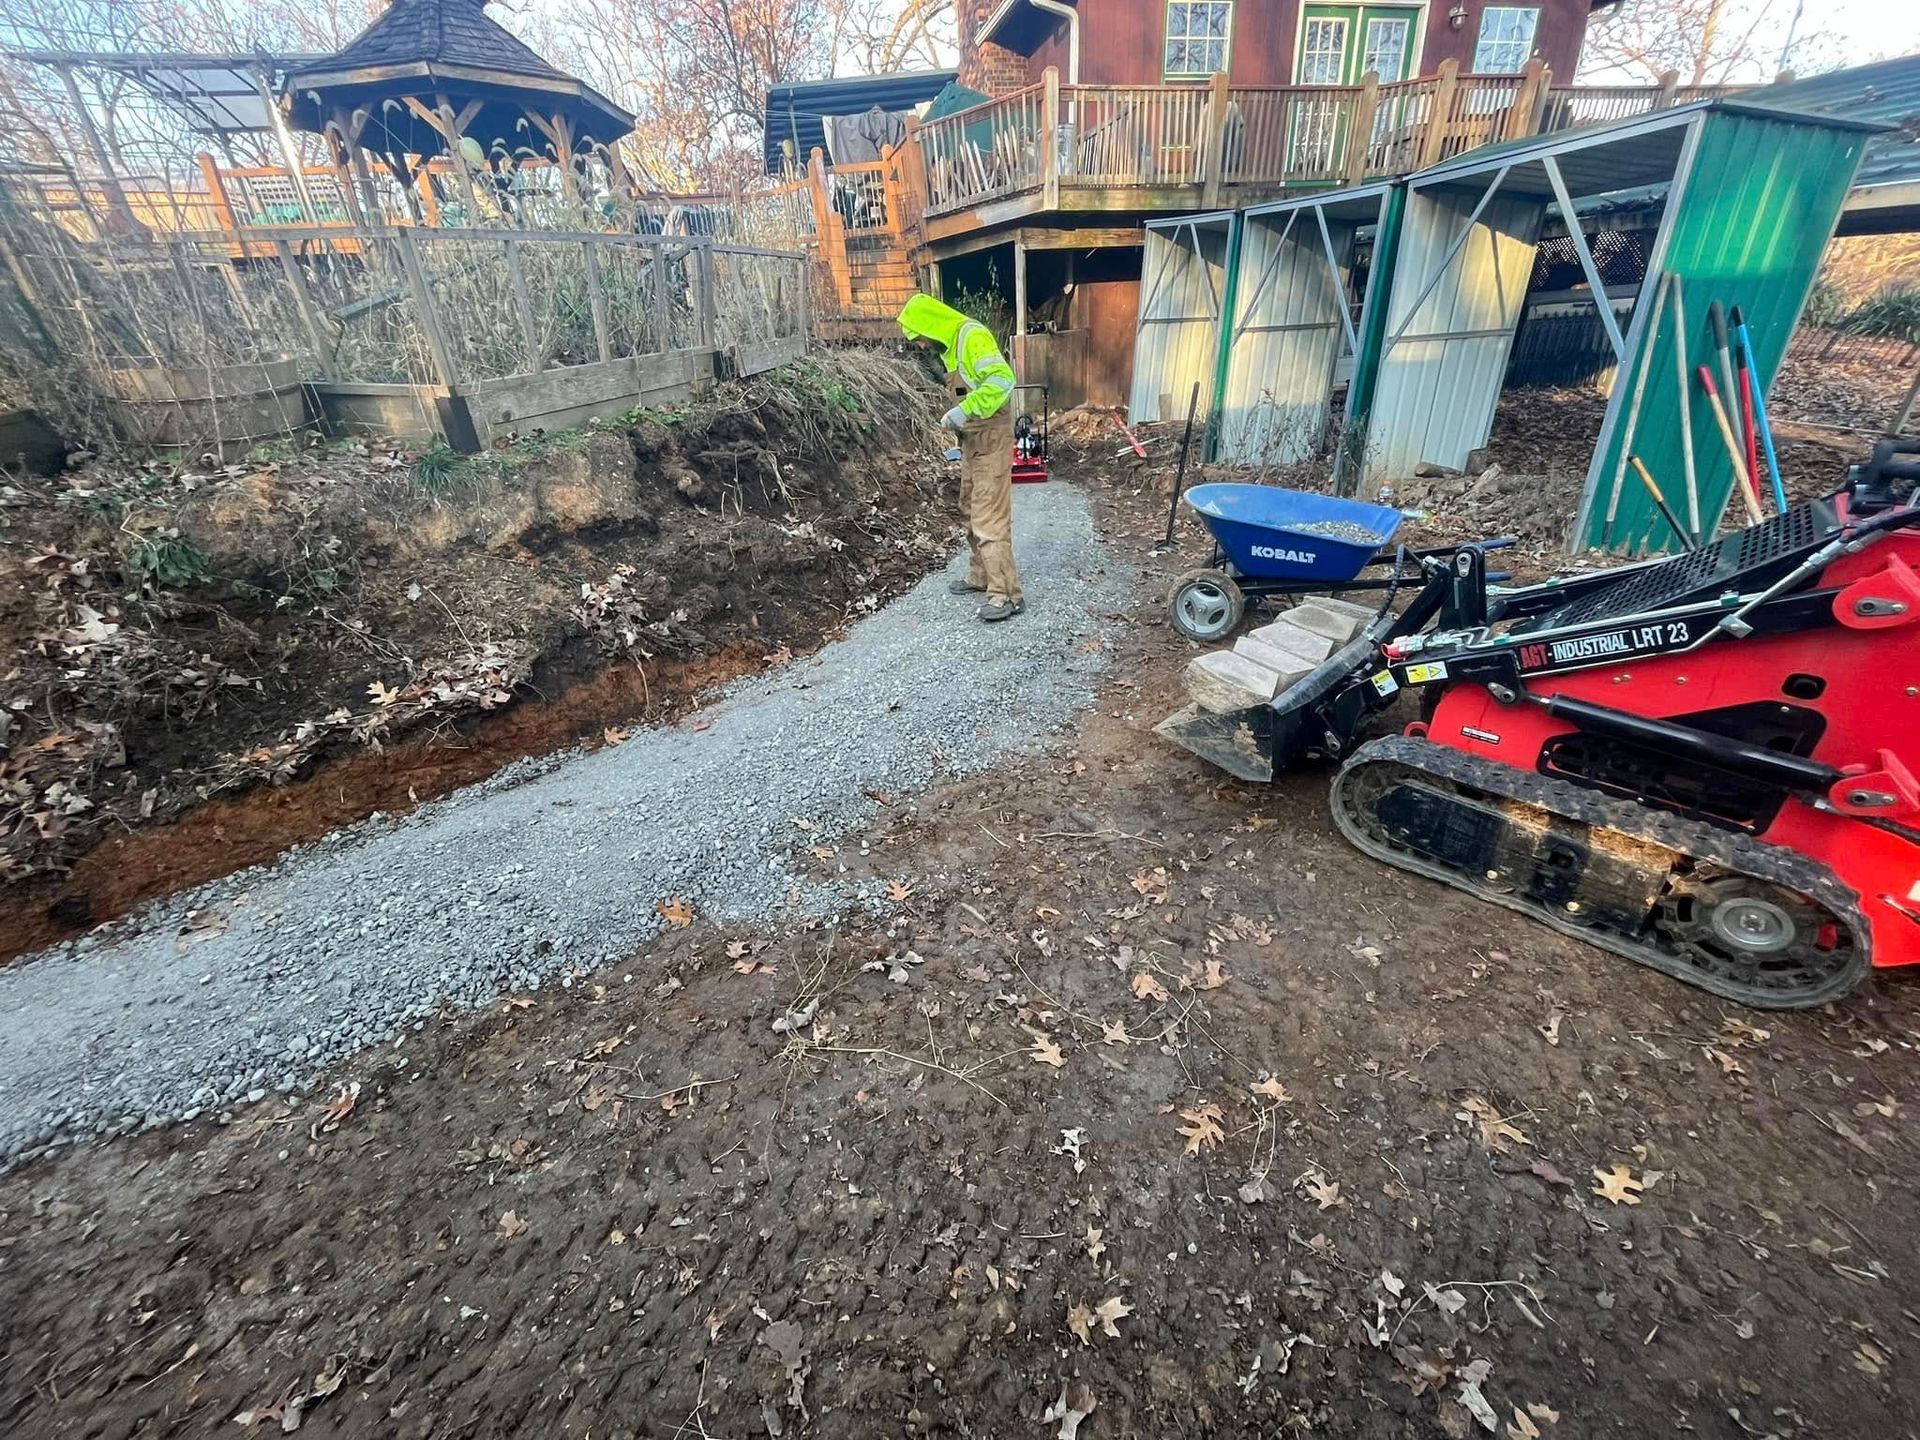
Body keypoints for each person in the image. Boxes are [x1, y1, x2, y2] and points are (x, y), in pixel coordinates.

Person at [897, 294, 1025, 621]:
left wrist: (963, 410)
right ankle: (981, 576)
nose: (922, 345)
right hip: (973, 439)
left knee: (988, 516)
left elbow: (1002, 381)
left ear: (931, 326)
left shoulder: (973, 337)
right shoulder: (951, 346)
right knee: (969, 507)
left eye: (920, 337)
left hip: (991, 438)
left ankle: (1007, 595)